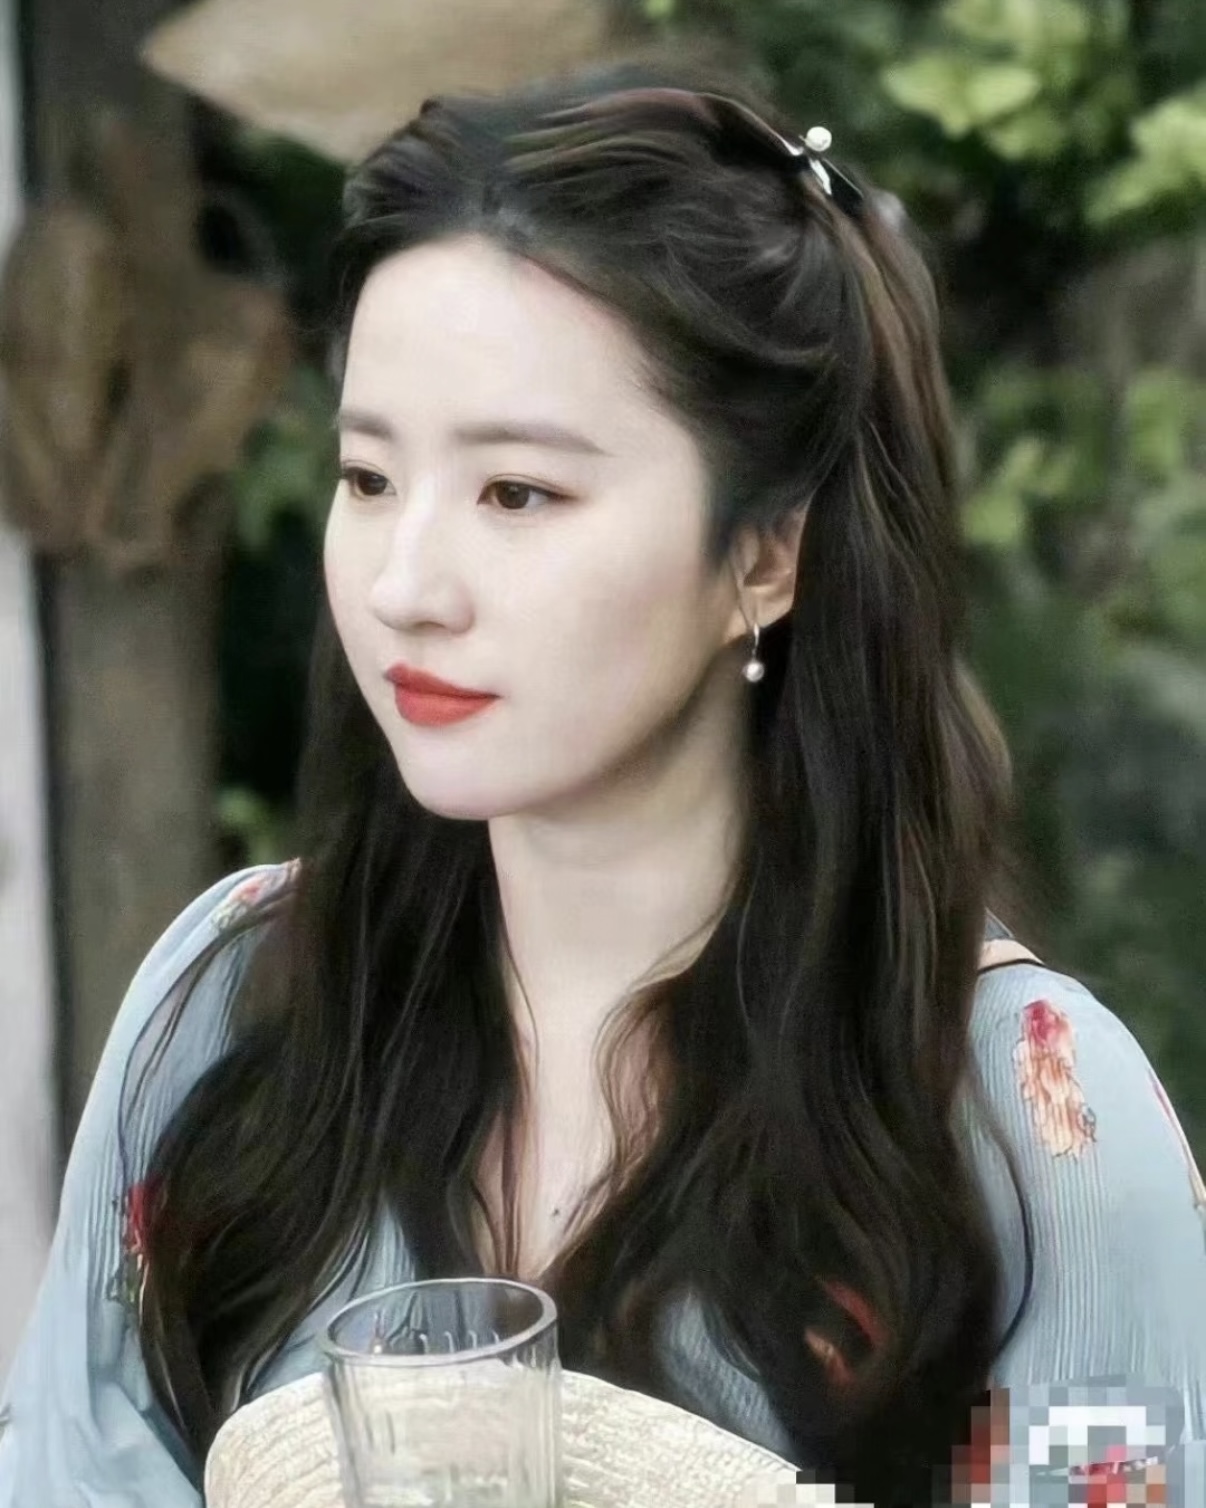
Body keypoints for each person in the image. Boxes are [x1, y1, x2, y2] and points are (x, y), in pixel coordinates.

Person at [2, 55, 1204, 1508]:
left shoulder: (1032, 1128)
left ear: (763, 554)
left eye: (518, 492)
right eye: (368, 478)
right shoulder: (230, 1005)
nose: (404, 585)